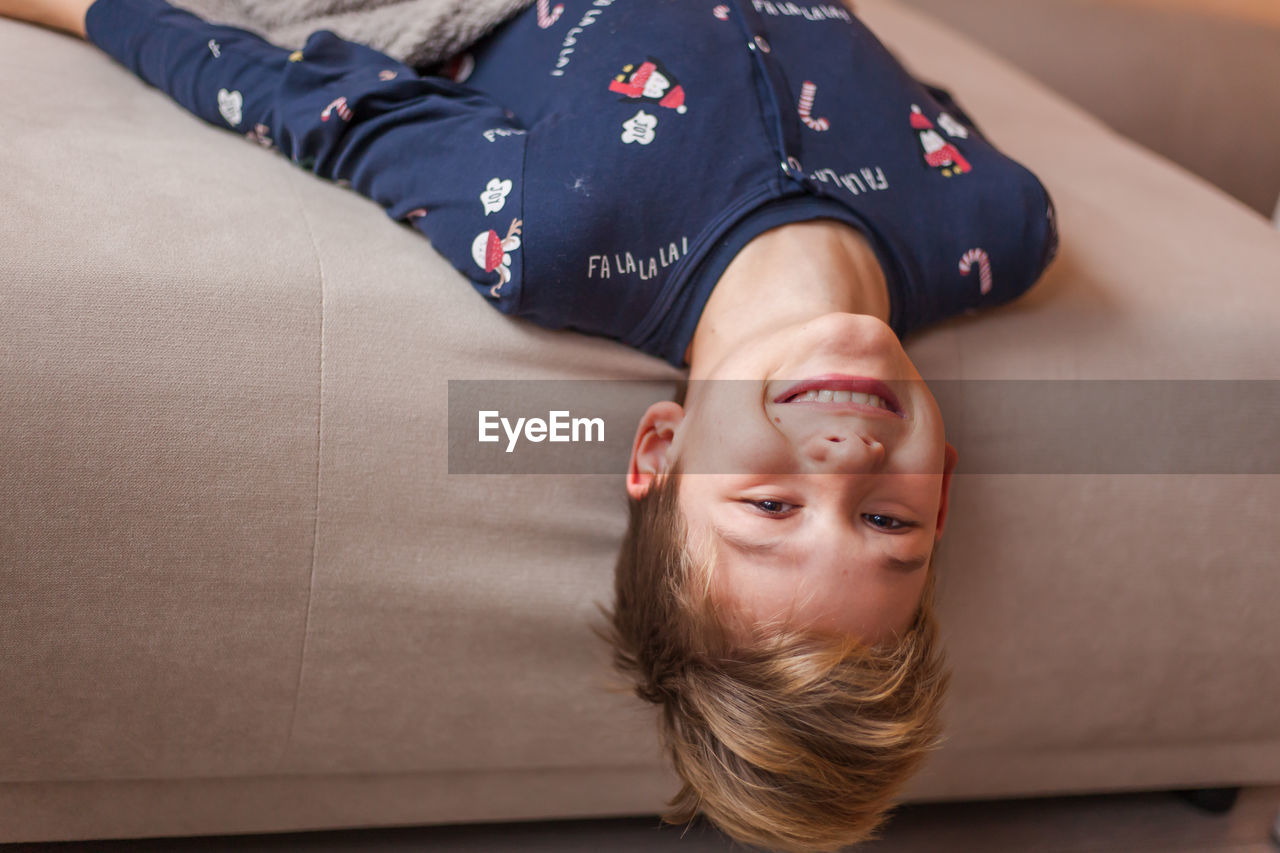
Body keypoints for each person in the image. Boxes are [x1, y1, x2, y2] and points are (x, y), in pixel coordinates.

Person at [1, 0, 1058, 848]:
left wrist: (86, 8)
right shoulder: (999, 222)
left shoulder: (554, 235)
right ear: (944, 484)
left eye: (770, 504)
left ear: (660, 448)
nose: (842, 463)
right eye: (885, 524)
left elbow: (309, 103)